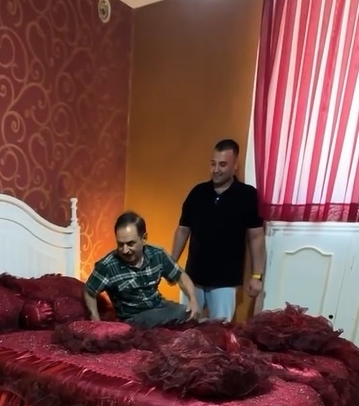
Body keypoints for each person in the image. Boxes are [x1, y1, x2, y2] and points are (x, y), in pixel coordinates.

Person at [170, 138, 265, 322]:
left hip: (225, 281)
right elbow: (183, 230)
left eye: (222, 165)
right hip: (193, 278)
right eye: (213, 164)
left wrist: (257, 276)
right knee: (185, 328)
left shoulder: (247, 195)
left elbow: (256, 237)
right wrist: (170, 264)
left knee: (220, 332)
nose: (215, 170)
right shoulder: (198, 193)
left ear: (235, 165)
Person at [84, 211, 200, 327]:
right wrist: (95, 319)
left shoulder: (158, 254)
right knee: (180, 314)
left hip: (159, 306)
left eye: (130, 244)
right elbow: (89, 291)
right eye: (120, 244)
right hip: (134, 317)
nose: (125, 250)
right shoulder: (107, 265)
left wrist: (193, 300)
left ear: (144, 238)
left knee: (191, 313)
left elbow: (181, 276)